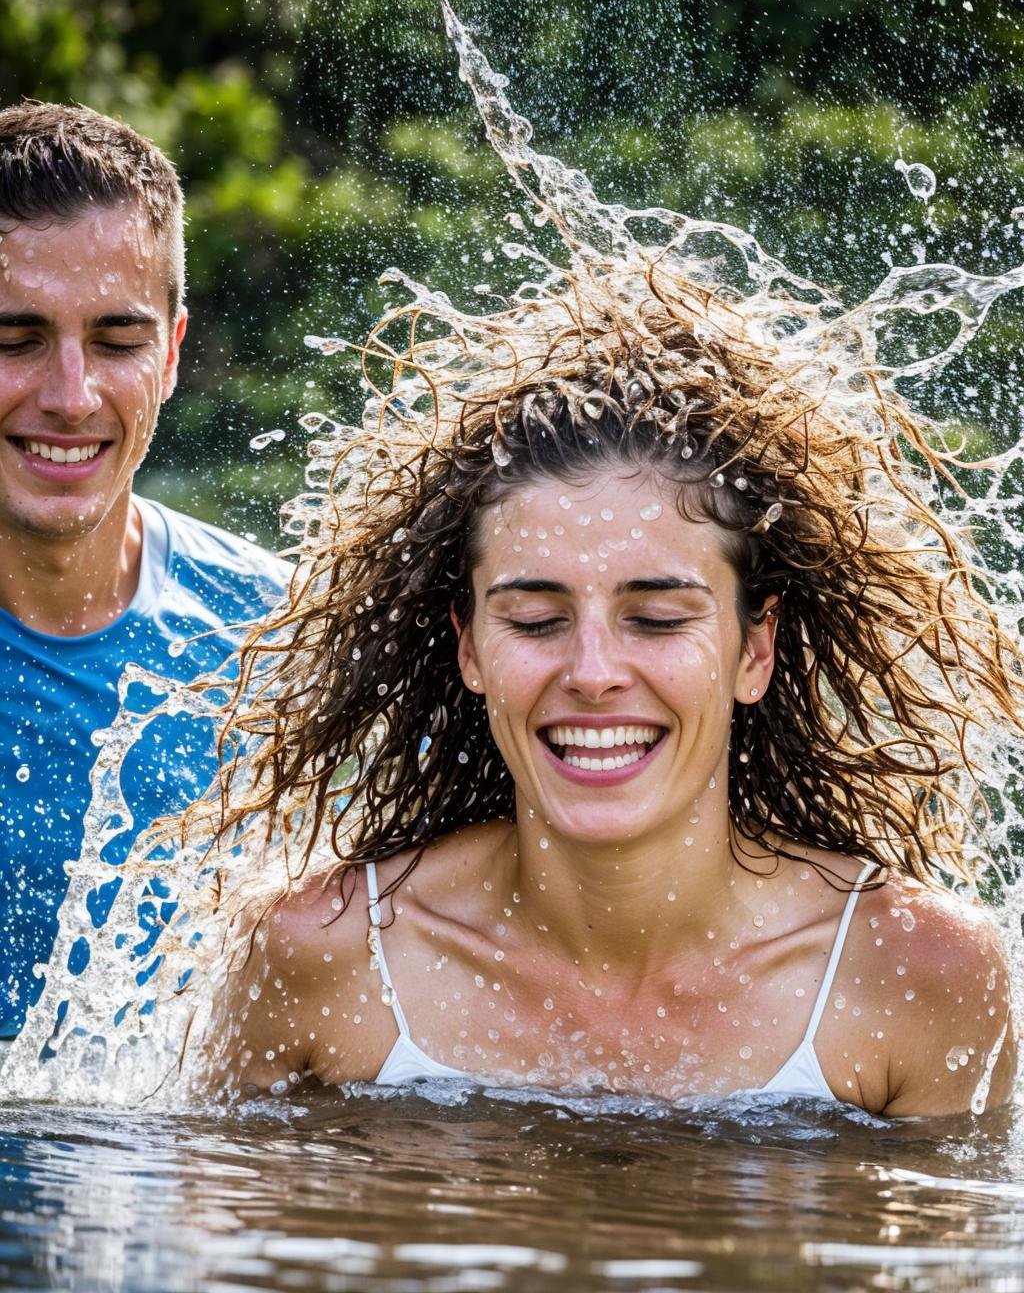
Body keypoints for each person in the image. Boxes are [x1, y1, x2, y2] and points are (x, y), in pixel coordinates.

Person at [192, 249, 1018, 1117]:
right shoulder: (323, 954)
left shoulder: (918, 975)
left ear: (754, 650)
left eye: (658, 620)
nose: (591, 674)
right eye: (536, 621)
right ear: (469, 647)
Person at [0, 101, 290, 1040]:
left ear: (169, 354)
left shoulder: (279, 640)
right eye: (16, 340)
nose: (69, 396)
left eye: (118, 342)